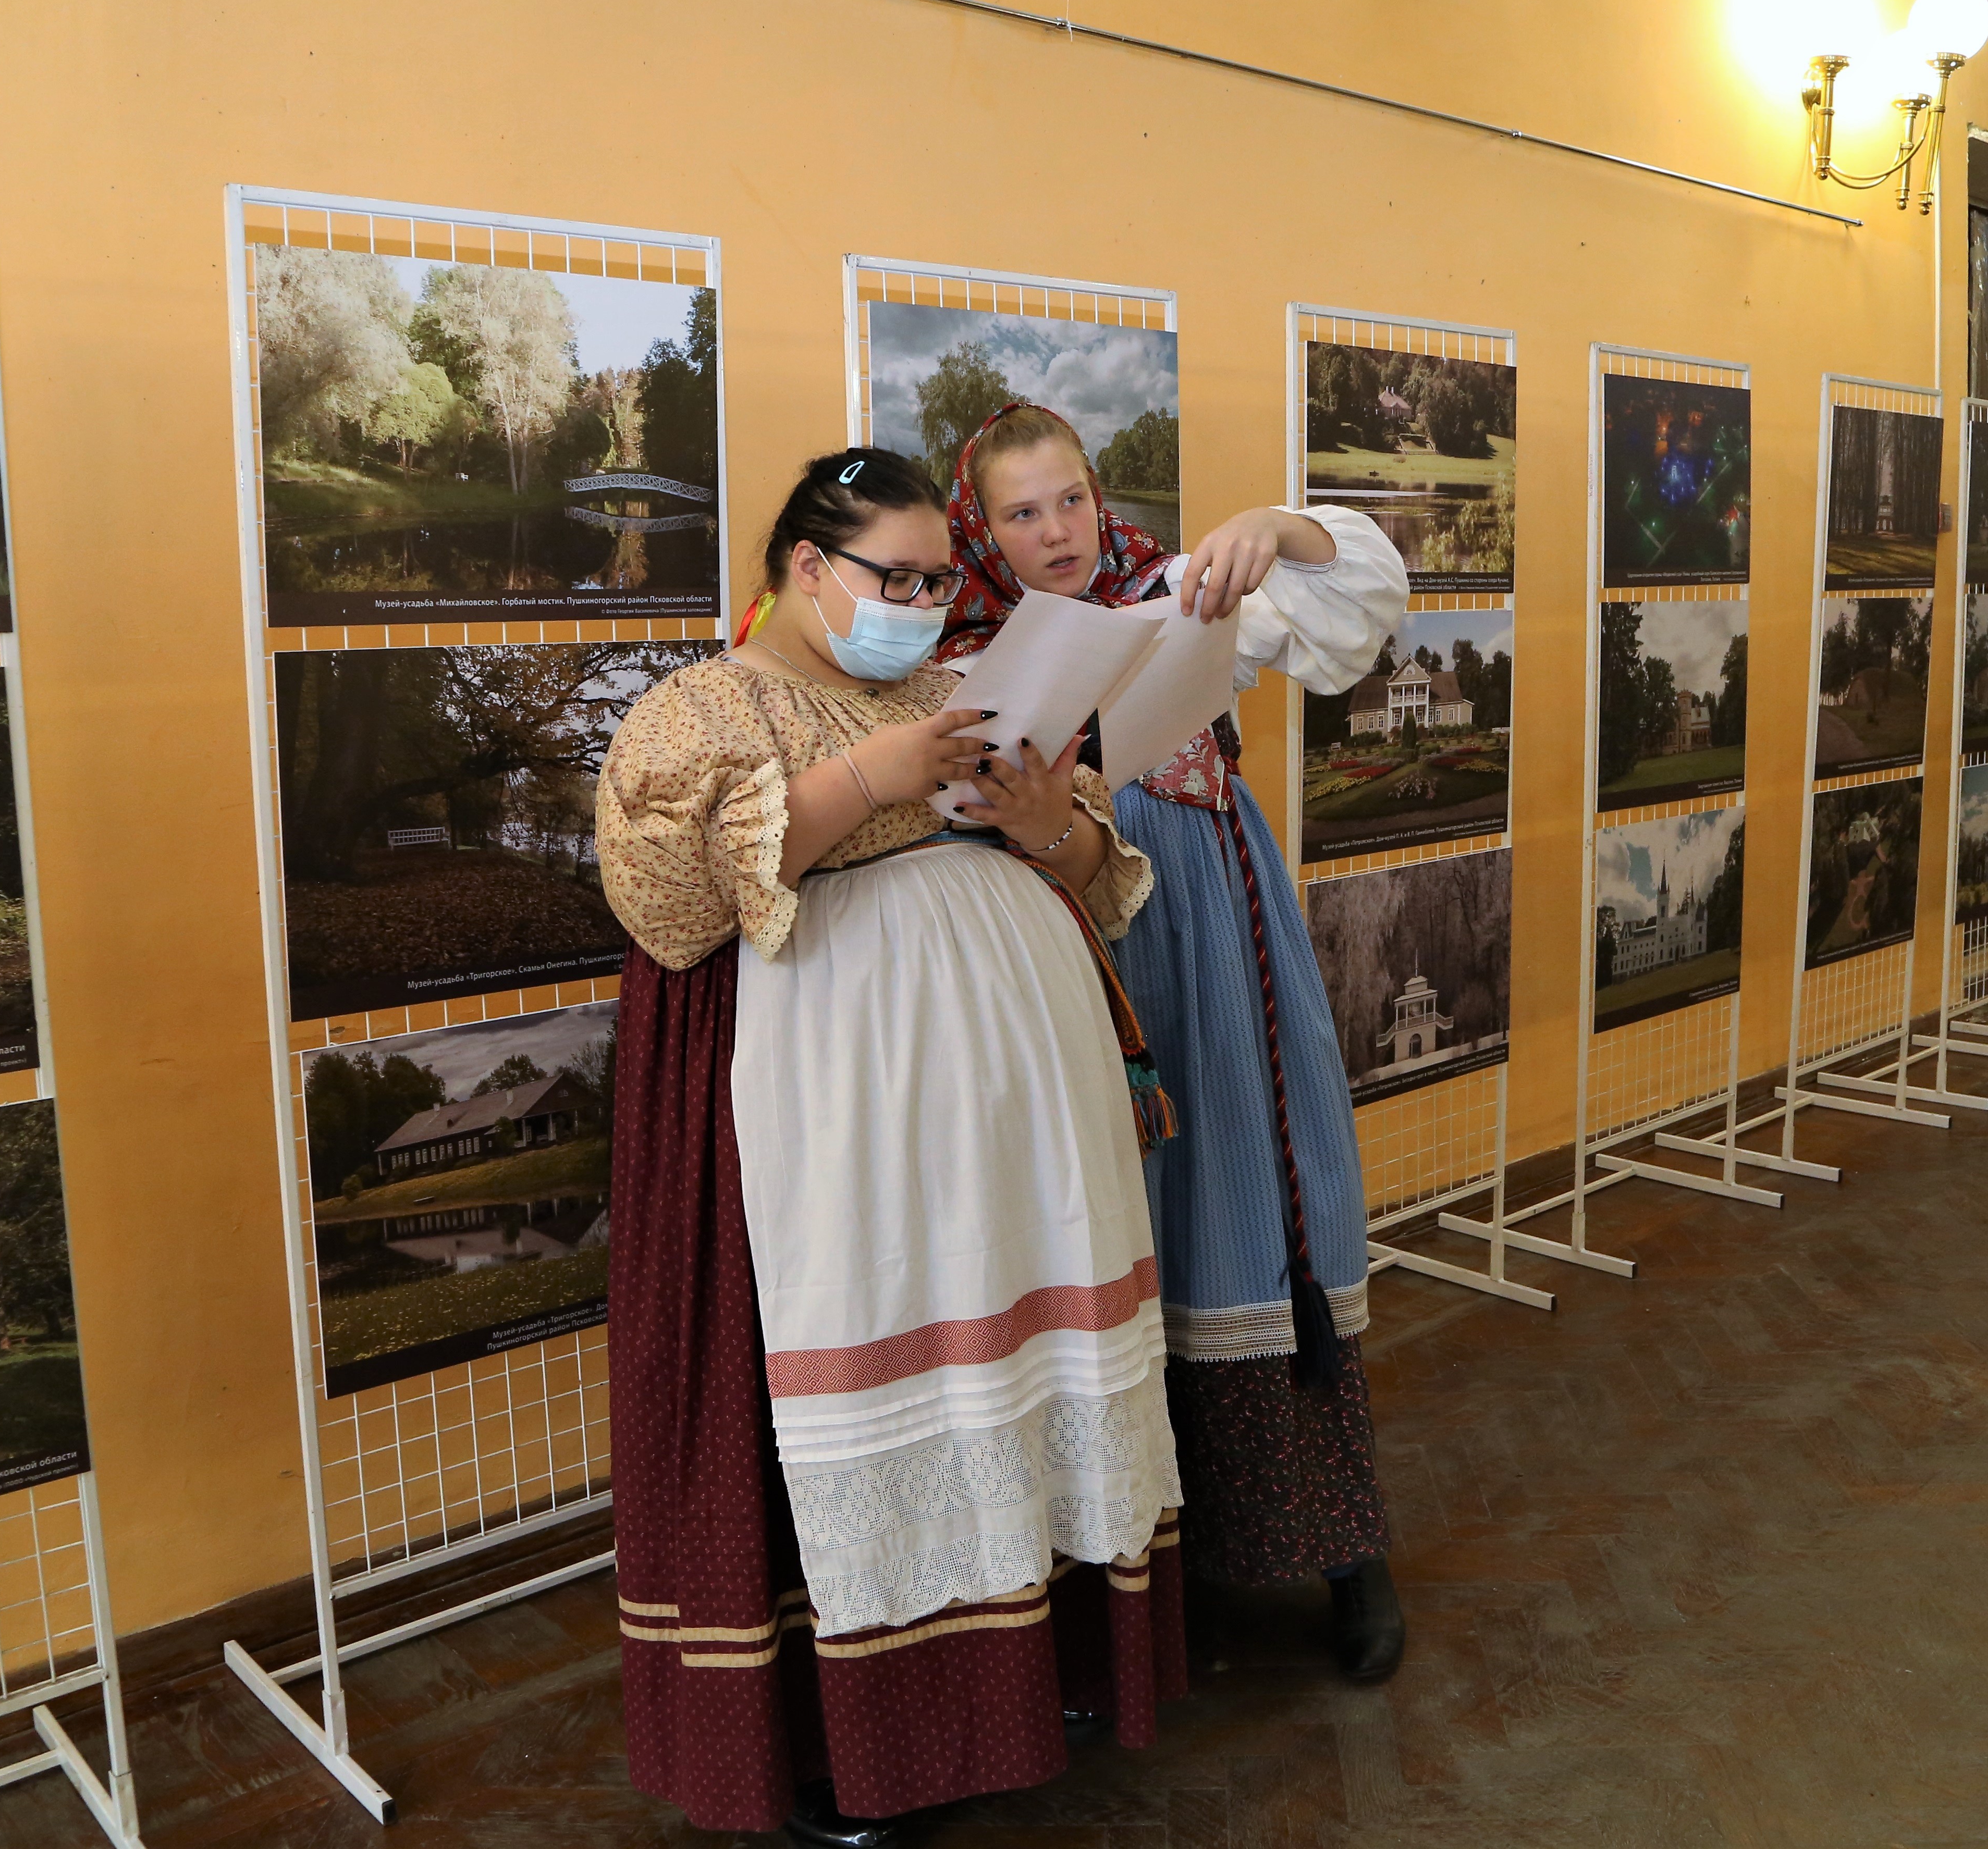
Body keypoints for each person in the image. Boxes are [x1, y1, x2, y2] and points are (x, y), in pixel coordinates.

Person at [595, 448, 1188, 1849]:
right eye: (897, 579)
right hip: (834, 1132)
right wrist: (869, 775)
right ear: (808, 568)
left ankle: (1038, 1672)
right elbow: (668, 899)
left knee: (1017, 1380)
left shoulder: (961, 687)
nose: (923, 605)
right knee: (867, 1391)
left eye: (936, 580)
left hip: (1011, 1146)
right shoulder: (706, 707)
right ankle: (841, 1743)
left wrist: (1047, 826)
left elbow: (1099, 875)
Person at [934, 402, 1414, 1683]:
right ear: (979, 526)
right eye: (1021, 512)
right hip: (1073, 951)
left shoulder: (1177, 591)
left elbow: (1363, 601)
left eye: (1071, 500)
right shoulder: (957, 658)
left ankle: (1343, 1548)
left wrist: (1277, 527)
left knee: (1266, 1198)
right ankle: (1145, 1580)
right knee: (1117, 1229)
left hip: (1211, 925)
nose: (1055, 531)